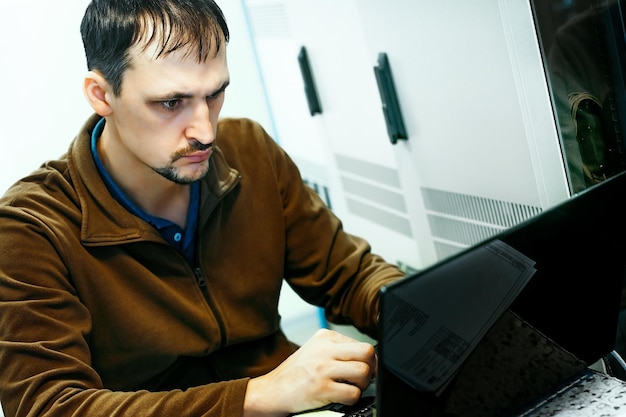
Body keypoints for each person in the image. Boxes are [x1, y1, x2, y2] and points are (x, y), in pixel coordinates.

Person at [0, 1, 404, 416]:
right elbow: (48, 407)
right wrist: (257, 396)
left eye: (215, 94)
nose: (205, 132)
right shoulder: (29, 228)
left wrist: (419, 317)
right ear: (101, 95)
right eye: (171, 103)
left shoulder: (249, 149)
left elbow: (350, 276)